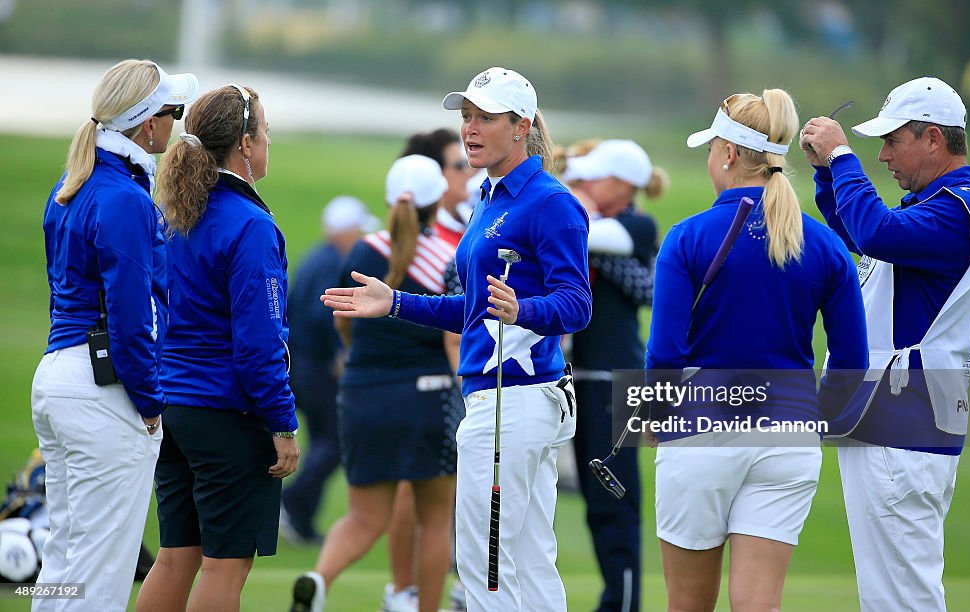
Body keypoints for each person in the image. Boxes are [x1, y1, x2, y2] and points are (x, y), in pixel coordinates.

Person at [315, 66, 591, 611]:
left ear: (521, 126)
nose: (471, 128)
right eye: (466, 116)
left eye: (485, 117)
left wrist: (525, 308)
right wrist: (393, 302)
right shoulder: (489, 198)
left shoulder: (547, 201)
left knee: (486, 568)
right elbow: (470, 311)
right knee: (527, 563)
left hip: (515, 399)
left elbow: (577, 304)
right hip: (503, 400)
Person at [646, 89, 868, 611]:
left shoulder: (686, 237)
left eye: (710, 150)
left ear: (727, 154)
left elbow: (664, 354)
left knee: (687, 604)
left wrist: (656, 418)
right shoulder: (825, 243)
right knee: (758, 605)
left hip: (700, 430)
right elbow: (851, 362)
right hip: (789, 435)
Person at [800, 76, 970, 611]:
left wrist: (843, 156)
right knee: (893, 593)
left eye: (893, 141)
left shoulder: (958, 209)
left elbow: (876, 235)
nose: (883, 154)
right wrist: (828, 174)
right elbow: (861, 240)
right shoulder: (943, 206)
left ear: (933, 139)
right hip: (900, 415)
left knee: (901, 599)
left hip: (900, 416)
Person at [30, 58, 197, 612]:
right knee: (101, 572)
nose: (175, 122)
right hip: (103, 386)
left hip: (60, 376)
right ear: (148, 126)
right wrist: (150, 402)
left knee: (64, 563)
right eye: (171, 112)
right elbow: (131, 317)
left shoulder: (75, 182)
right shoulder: (124, 198)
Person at [135, 83, 299, 612]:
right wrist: (282, 423)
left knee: (176, 556)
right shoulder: (250, 225)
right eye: (266, 132)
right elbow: (259, 343)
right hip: (227, 411)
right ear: (245, 145)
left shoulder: (176, 214)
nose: (270, 141)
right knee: (225, 564)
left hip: (174, 409)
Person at [290, 154, 457, 612]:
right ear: (438, 199)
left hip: (362, 394)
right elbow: (453, 337)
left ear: (388, 199)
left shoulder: (362, 251)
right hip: (430, 397)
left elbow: (343, 324)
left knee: (363, 518)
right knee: (436, 519)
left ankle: (317, 578)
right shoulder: (450, 256)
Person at [560, 139, 665, 612]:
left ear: (623, 185)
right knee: (596, 505)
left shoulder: (637, 224)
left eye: (591, 178)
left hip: (615, 382)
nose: (580, 185)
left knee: (614, 504)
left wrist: (569, 205)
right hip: (580, 380)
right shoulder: (594, 225)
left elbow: (590, 233)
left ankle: (620, 606)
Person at [383, 129, 477, 612]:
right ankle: (405, 590)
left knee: (441, 492)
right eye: (457, 165)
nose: (468, 171)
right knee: (415, 491)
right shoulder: (436, 241)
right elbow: (451, 325)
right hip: (438, 379)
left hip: (429, 380)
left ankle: (443, 584)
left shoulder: (465, 222)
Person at [280, 196, 378, 546]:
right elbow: (320, 313)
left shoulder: (321, 257)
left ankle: (301, 520)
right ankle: (292, 504)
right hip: (313, 366)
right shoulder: (330, 262)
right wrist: (339, 352)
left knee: (328, 439)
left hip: (302, 363)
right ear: (344, 232)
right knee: (334, 440)